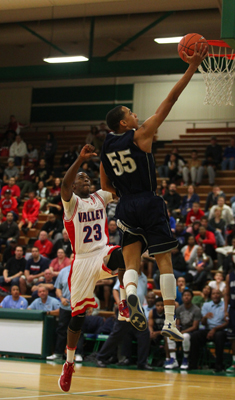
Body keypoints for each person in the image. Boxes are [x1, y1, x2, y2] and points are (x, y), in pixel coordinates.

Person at [100, 45, 208, 345]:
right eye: (131, 113)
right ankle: (171, 322)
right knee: (164, 261)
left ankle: (131, 296)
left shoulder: (106, 147)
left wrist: (124, 191)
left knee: (131, 263)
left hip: (125, 207)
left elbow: (106, 185)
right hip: (148, 201)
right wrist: (192, 67)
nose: (136, 115)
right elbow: (170, 100)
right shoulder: (141, 134)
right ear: (124, 123)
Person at [58, 144, 126, 392]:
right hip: (82, 261)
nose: (85, 179)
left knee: (125, 253)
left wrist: (105, 159)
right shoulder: (71, 202)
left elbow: (112, 187)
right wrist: (80, 159)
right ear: (74, 187)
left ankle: (125, 301)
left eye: (87, 177)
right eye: (80, 178)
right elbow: (64, 186)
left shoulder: (101, 196)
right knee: (78, 318)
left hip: (101, 252)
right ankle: (69, 363)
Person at [46, 255, 84, 362]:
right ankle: (58, 353)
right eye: (72, 256)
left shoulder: (84, 271)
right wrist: (61, 298)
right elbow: (58, 288)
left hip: (79, 306)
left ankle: (79, 354)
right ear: (70, 259)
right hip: (65, 306)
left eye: (77, 256)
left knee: (78, 331)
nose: (75, 258)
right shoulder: (63, 271)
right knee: (61, 330)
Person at [189, 288, 228, 372]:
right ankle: (193, 364)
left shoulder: (226, 306)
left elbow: (227, 323)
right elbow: (203, 323)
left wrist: (214, 329)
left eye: (218, 293)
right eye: (213, 293)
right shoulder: (206, 305)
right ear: (211, 295)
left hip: (220, 329)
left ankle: (218, 366)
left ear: (221, 295)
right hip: (208, 329)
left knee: (219, 336)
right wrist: (205, 317)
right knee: (195, 335)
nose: (215, 295)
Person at [176, 289, 201, 369]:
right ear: (182, 297)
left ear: (192, 297)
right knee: (169, 335)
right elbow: (178, 323)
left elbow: (195, 326)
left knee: (185, 336)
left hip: (191, 331)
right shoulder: (179, 309)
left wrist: (183, 332)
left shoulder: (196, 309)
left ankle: (185, 359)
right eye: (184, 295)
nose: (186, 297)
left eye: (188, 295)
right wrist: (177, 330)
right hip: (182, 330)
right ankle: (172, 359)